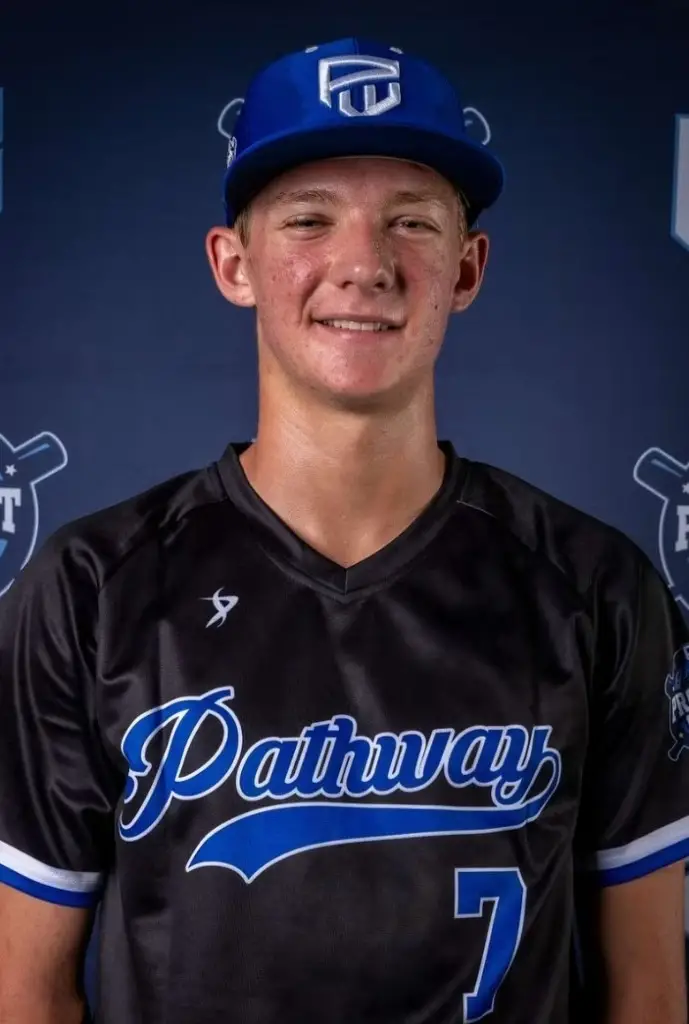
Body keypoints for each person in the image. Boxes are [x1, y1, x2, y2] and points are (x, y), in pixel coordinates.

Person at [0, 35, 688, 1024]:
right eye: (308, 220)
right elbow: (24, 991)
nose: (363, 264)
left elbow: (648, 991)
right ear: (233, 263)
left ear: (466, 268)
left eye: (410, 222)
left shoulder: (595, 588)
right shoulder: (88, 590)